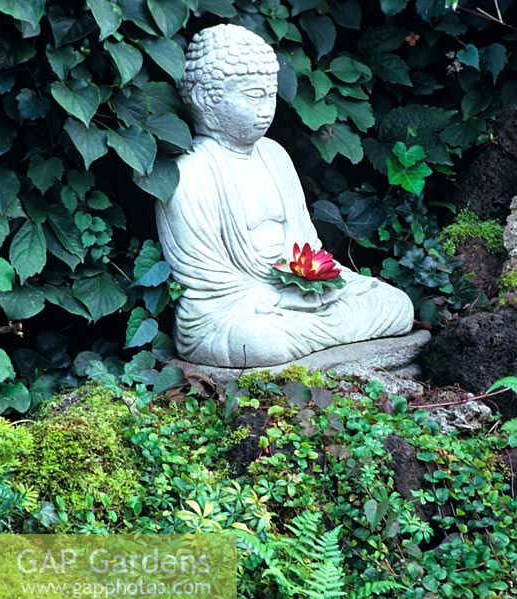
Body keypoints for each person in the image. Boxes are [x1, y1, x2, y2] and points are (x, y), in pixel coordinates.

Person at [156, 24, 414, 367]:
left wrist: (315, 289)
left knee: (396, 305)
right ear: (206, 98)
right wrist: (282, 299)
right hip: (234, 311)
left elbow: (307, 250)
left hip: (297, 296)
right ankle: (313, 335)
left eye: (269, 95)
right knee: (264, 342)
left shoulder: (274, 155)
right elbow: (206, 286)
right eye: (251, 96)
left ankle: (316, 332)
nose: (265, 109)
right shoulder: (190, 173)